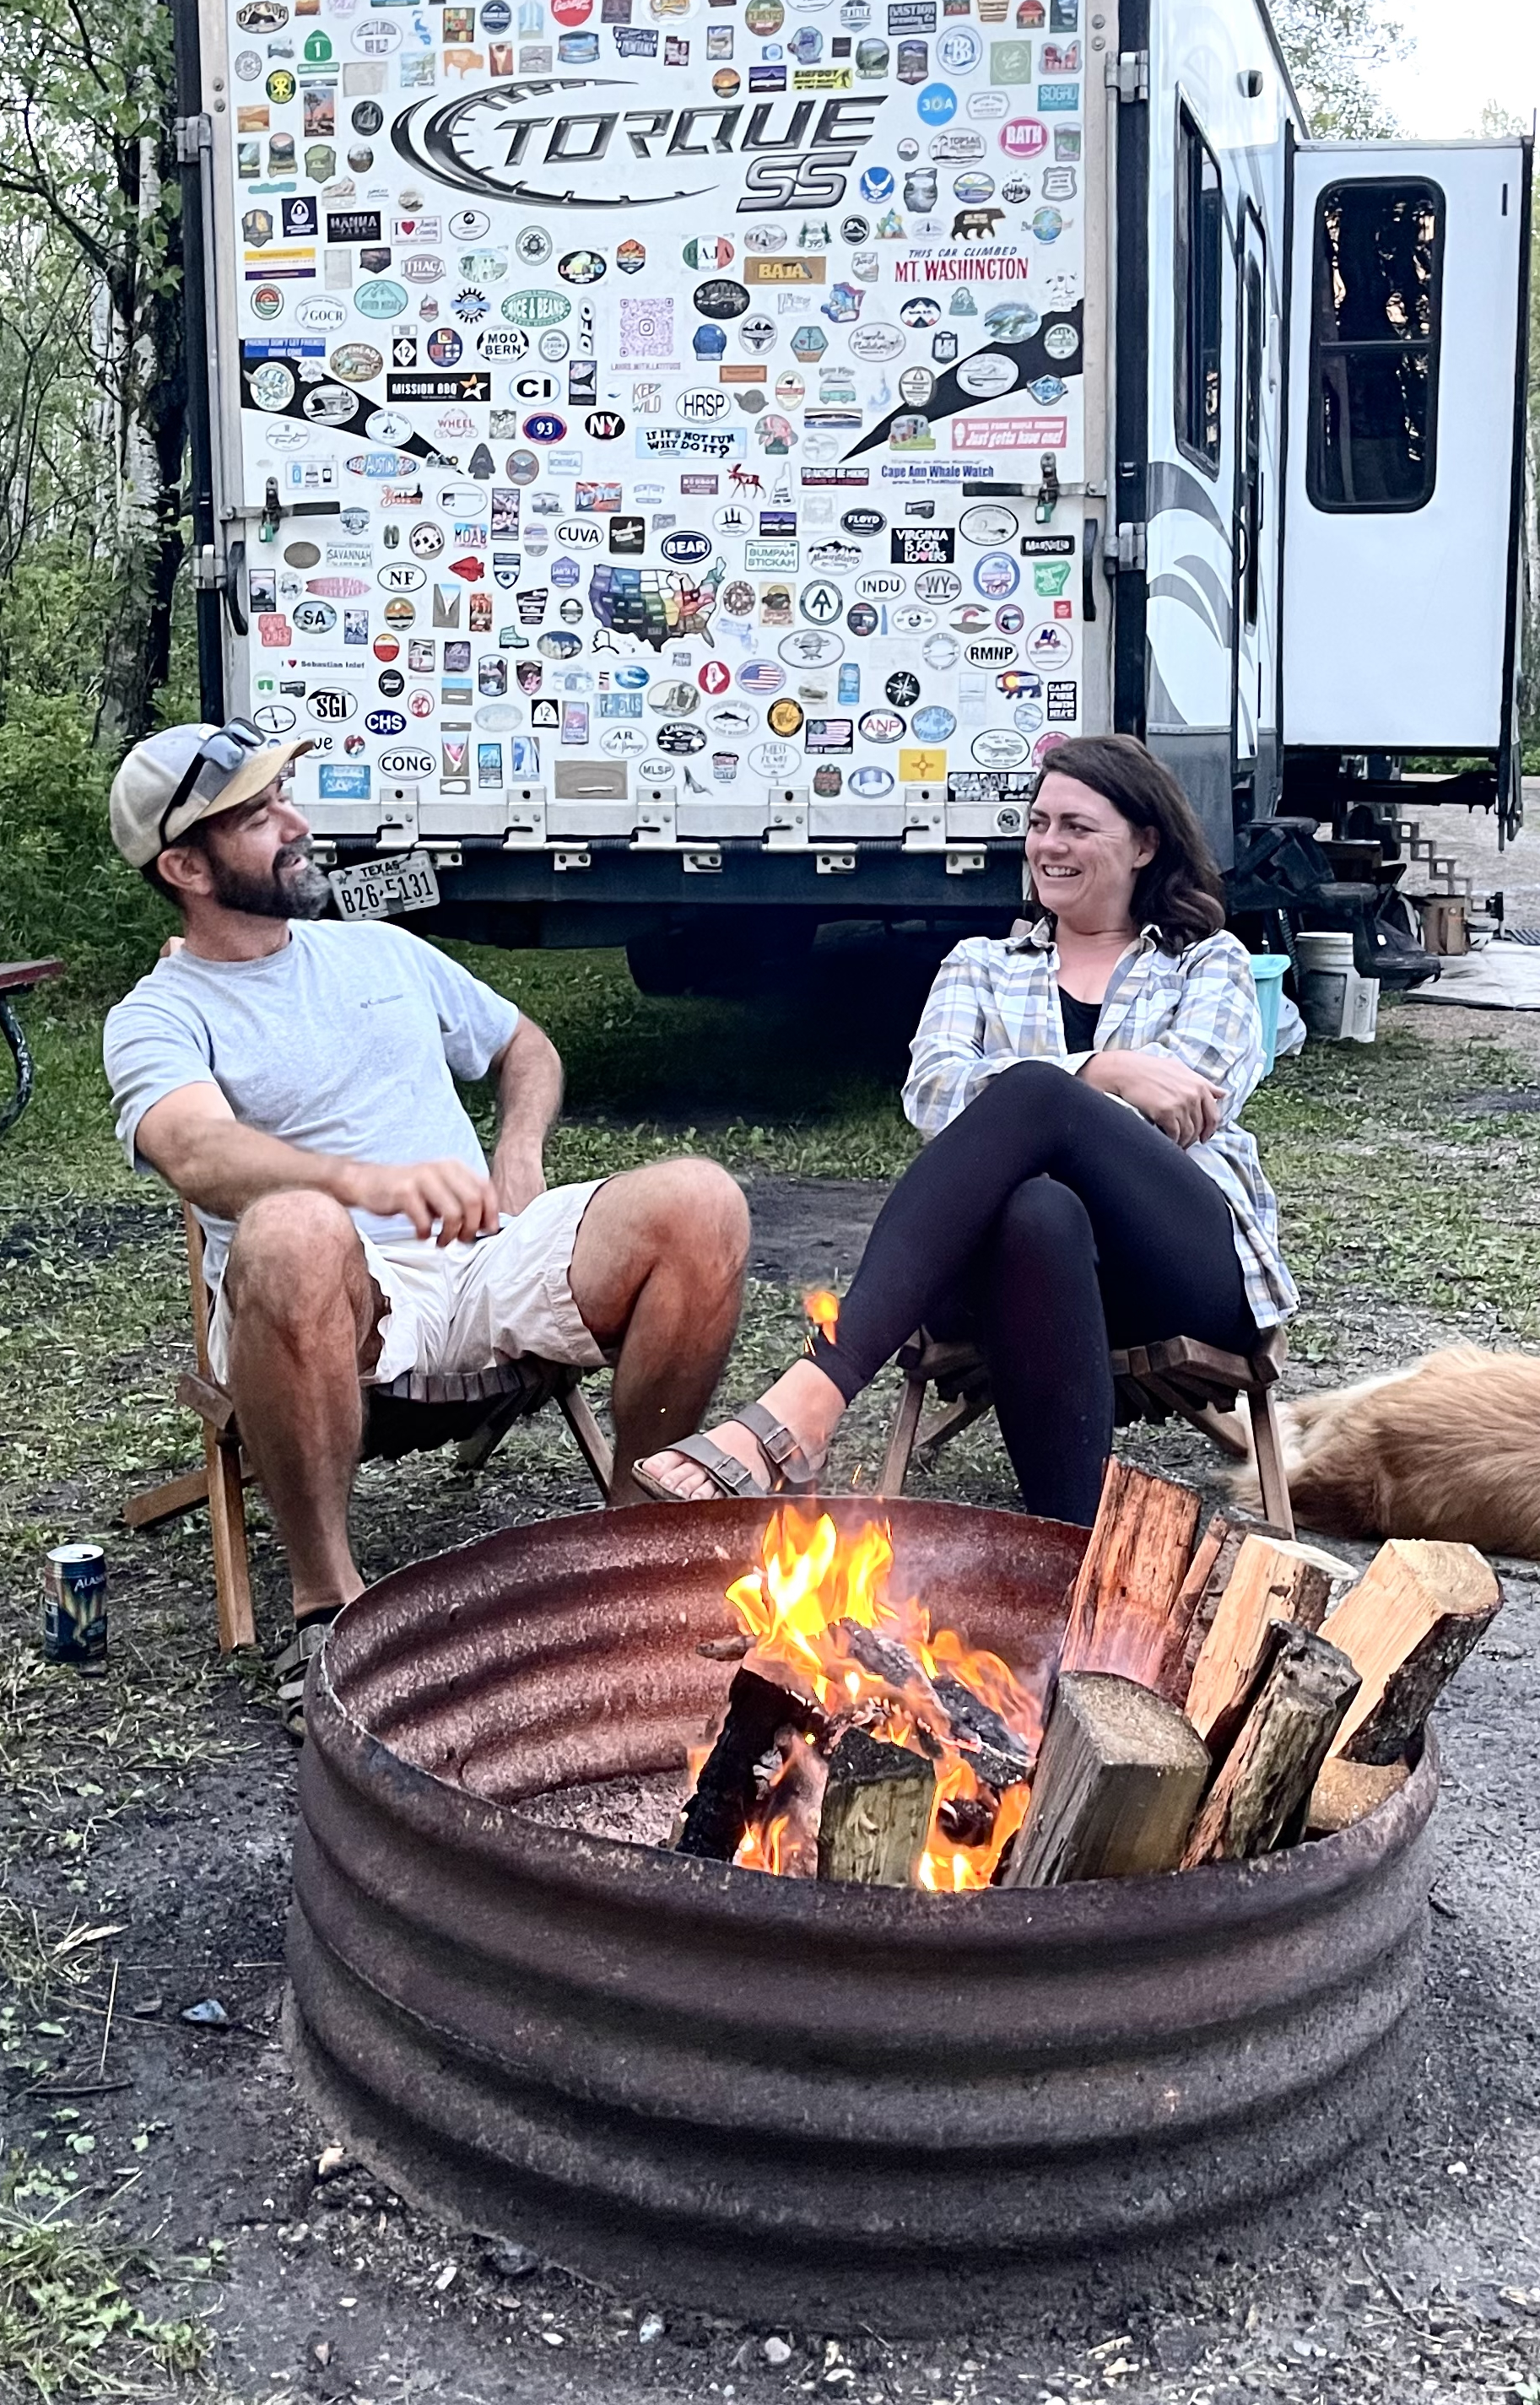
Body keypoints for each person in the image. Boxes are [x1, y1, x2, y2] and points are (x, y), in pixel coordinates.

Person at [101, 722, 749, 1714]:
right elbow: (196, 1152)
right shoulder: (159, 1013)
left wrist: (518, 1155)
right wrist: (362, 1184)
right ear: (184, 864)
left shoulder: (378, 951)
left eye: (286, 799)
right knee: (290, 1228)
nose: (296, 823)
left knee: (701, 1199)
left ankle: (633, 1542)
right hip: (336, 1300)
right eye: (259, 815)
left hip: (484, 1258)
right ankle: (325, 1604)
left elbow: (522, 1046)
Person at [639, 734, 1297, 1523]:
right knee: (1037, 1209)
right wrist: (1106, 1070)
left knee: (1034, 1096)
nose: (1049, 845)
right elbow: (936, 1095)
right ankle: (1070, 1545)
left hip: (1171, 1266)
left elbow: (1183, 1111)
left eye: (1078, 827)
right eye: (1039, 821)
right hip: (1005, 1276)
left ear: (1146, 844)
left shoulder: (1207, 962)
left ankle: (811, 1397)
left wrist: (1066, 1090)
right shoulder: (980, 963)